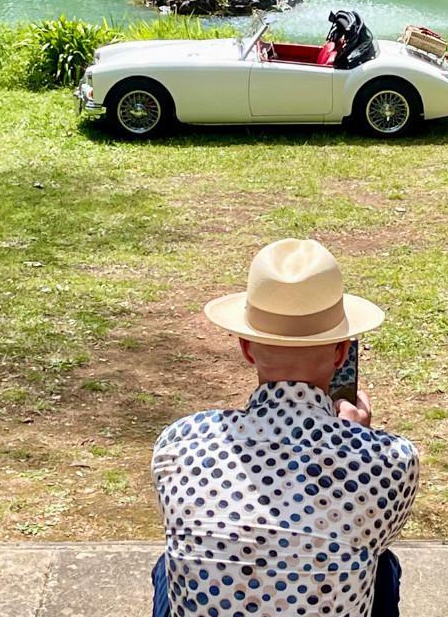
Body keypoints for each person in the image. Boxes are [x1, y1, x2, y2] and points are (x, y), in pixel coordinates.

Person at [151, 238, 419, 617]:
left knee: (168, 564)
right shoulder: (391, 459)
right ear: (342, 352)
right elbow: (375, 537)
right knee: (382, 567)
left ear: (246, 348)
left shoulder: (179, 442)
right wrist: (362, 441)